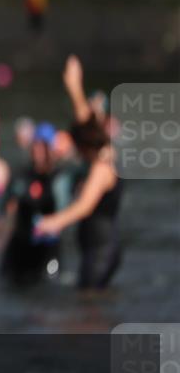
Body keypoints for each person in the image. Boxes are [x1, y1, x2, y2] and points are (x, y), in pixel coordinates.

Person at [35, 56, 123, 290]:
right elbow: (86, 126)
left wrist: (53, 222)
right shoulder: (100, 156)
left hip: (101, 251)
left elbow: (85, 206)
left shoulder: (103, 166)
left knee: (86, 317)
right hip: (97, 249)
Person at [0, 122, 72, 286]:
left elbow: (66, 210)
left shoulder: (59, 177)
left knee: (49, 285)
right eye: (35, 146)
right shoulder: (21, 175)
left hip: (47, 245)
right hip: (20, 243)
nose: (37, 151)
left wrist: (53, 224)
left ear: (51, 149)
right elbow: (3, 205)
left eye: (43, 147)